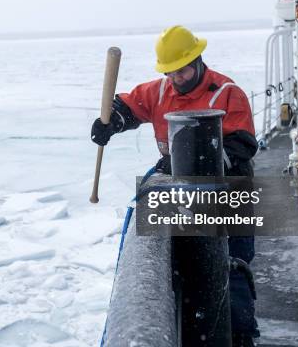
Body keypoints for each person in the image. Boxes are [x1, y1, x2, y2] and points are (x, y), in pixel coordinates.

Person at [91, 25, 259, 347]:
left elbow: (240, 147)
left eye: (181, 71)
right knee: (191, 271)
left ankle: (241, 337)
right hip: (183, 197)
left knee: (231, 269)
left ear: (198, 60)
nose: (176, 79)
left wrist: (191, 159)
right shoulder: (159, 92)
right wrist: (110, 121)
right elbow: (128, 106)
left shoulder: (226, 94)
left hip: (229, 197)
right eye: (170, 73)